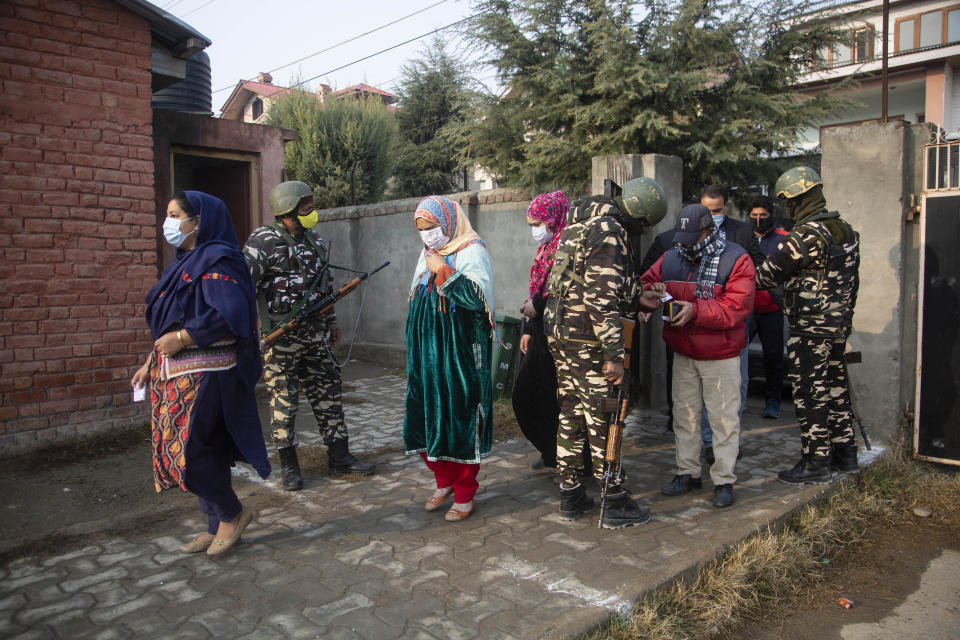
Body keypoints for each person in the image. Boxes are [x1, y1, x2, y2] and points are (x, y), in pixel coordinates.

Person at [131, 191, 270, 556]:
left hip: (209, 370)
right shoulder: (184, 261)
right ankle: (215, 523)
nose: (169, 223)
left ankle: (232, 513)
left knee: (188, 452)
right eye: (168, 214)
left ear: (199, 220)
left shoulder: (221, 260)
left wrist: (182, 338)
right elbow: (169, 319)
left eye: (176, 215)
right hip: (174, 372)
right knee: (202, 448)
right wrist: (150, 363)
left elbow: (229, 316)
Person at [544, 178, 666, 529]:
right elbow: (599, 298)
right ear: (640, 217)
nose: (642, 231)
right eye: (644, 225)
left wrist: (637, 294)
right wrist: (614, 355)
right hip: (587, 339)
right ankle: (614, 500)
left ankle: (570, 493)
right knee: (605, 414)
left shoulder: (581, 222)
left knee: (571, 410)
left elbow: (587, 280)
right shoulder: (610, 230)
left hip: (562, 333)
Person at [243, 181, 374, 492]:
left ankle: (340, 458)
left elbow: (323, 287)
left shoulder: (314, 240)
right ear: (287, 211)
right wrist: (252, 332)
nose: (312, 212)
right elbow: (242, 288)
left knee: (329, 394)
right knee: (284, 402)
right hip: (280, 339)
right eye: (306, 208)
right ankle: (289, 467)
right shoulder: (262, 242)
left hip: (316, 334)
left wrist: (331, 321)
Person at [643, 204, 755, 508]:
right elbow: (644, 283)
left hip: (721, 355)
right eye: (684, 236)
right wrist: (648, 296)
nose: (687, 243)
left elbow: (737, 307)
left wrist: (696, 310)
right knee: (685, 417)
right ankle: (688, 472)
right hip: (683, 352)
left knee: (723, 420)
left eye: (693, 236)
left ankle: (724, 480)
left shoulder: (736, 258)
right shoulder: (672, 256)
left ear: (709, 229)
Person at [756, 167, 860, 483]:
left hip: (809, 328)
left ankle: (816, 461)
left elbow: (766, 275)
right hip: (839, 325)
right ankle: (846, 454)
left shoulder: (804, 237)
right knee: (836, 389)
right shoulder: (846, 230)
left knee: (809, 392)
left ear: (795, 201)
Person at [404, 195, 496, 522]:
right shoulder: (428, 253)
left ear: (449, 222)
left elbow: (476, 299)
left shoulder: (472, 251)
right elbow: (418, 298)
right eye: (422, 230)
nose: (427, 235)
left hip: (460, 354)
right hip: (428, 352)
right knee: (427, 413)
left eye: (432, 227)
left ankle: (465, 492)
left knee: (459, 416)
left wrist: (443, 271)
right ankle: (442, 481)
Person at [697, 185, 762, 462]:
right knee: (705, 392)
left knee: (737, 386)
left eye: (718, 211)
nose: (713, 217)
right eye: (707, 211)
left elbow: (759, 269)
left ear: (727, 206)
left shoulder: (743, 232)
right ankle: (710, 443)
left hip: (736, 325)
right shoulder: (691, 233)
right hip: (702, 327)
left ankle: (730, 439)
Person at [513, 191, 568, 470]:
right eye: (532, 225)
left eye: (538, 223)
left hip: (561, 333)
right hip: (540, 330)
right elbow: (538, 290)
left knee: (556, 396)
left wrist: (537, 304)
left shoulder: (568, 246)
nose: (535, 230)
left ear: (554, 218)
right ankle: (549, 450)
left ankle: (564, 456)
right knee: (530, 393)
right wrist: (528, 329)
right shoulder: (546, 250)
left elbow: (565, 291)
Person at [747, 196, 789, 419]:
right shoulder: (744, 238)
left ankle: (773, 401)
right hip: (745, 307)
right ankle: (739, 399)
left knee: (773, 357)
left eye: (763, 216)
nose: (758, 220)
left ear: (770, 216)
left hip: (771, 308)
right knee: (738, 355)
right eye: (754, 216)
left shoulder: (783, 239)